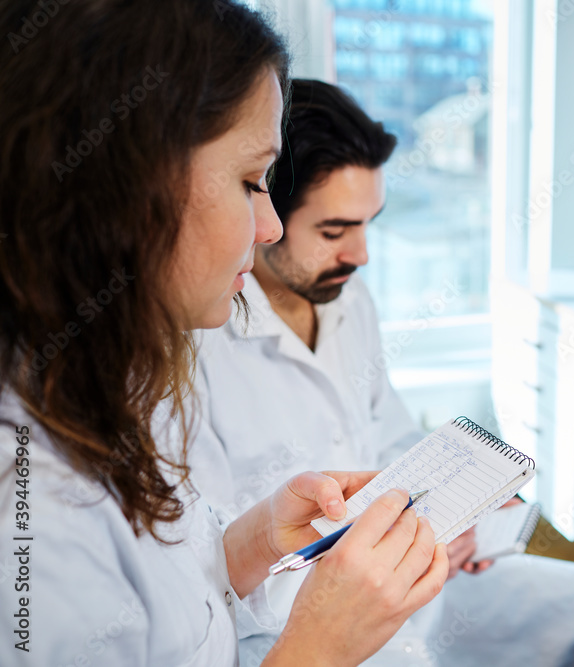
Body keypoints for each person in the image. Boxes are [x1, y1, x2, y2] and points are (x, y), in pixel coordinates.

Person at [0, 2, 448, 665]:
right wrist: (318, 647)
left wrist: (257, 536)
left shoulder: (121, 380)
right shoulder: (29, 510)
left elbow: (179, 617)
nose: (266, 226)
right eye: (250, 181)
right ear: (125, 186)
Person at [189, 78, 574, 666]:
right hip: (291, 621)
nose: (361, 255)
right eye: (334, 231)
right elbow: (210, 567)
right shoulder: (200, 348)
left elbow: (390, 435)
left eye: (369, 223)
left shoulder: (348, 302)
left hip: (410, 570)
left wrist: (463, 505)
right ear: (264, 211)